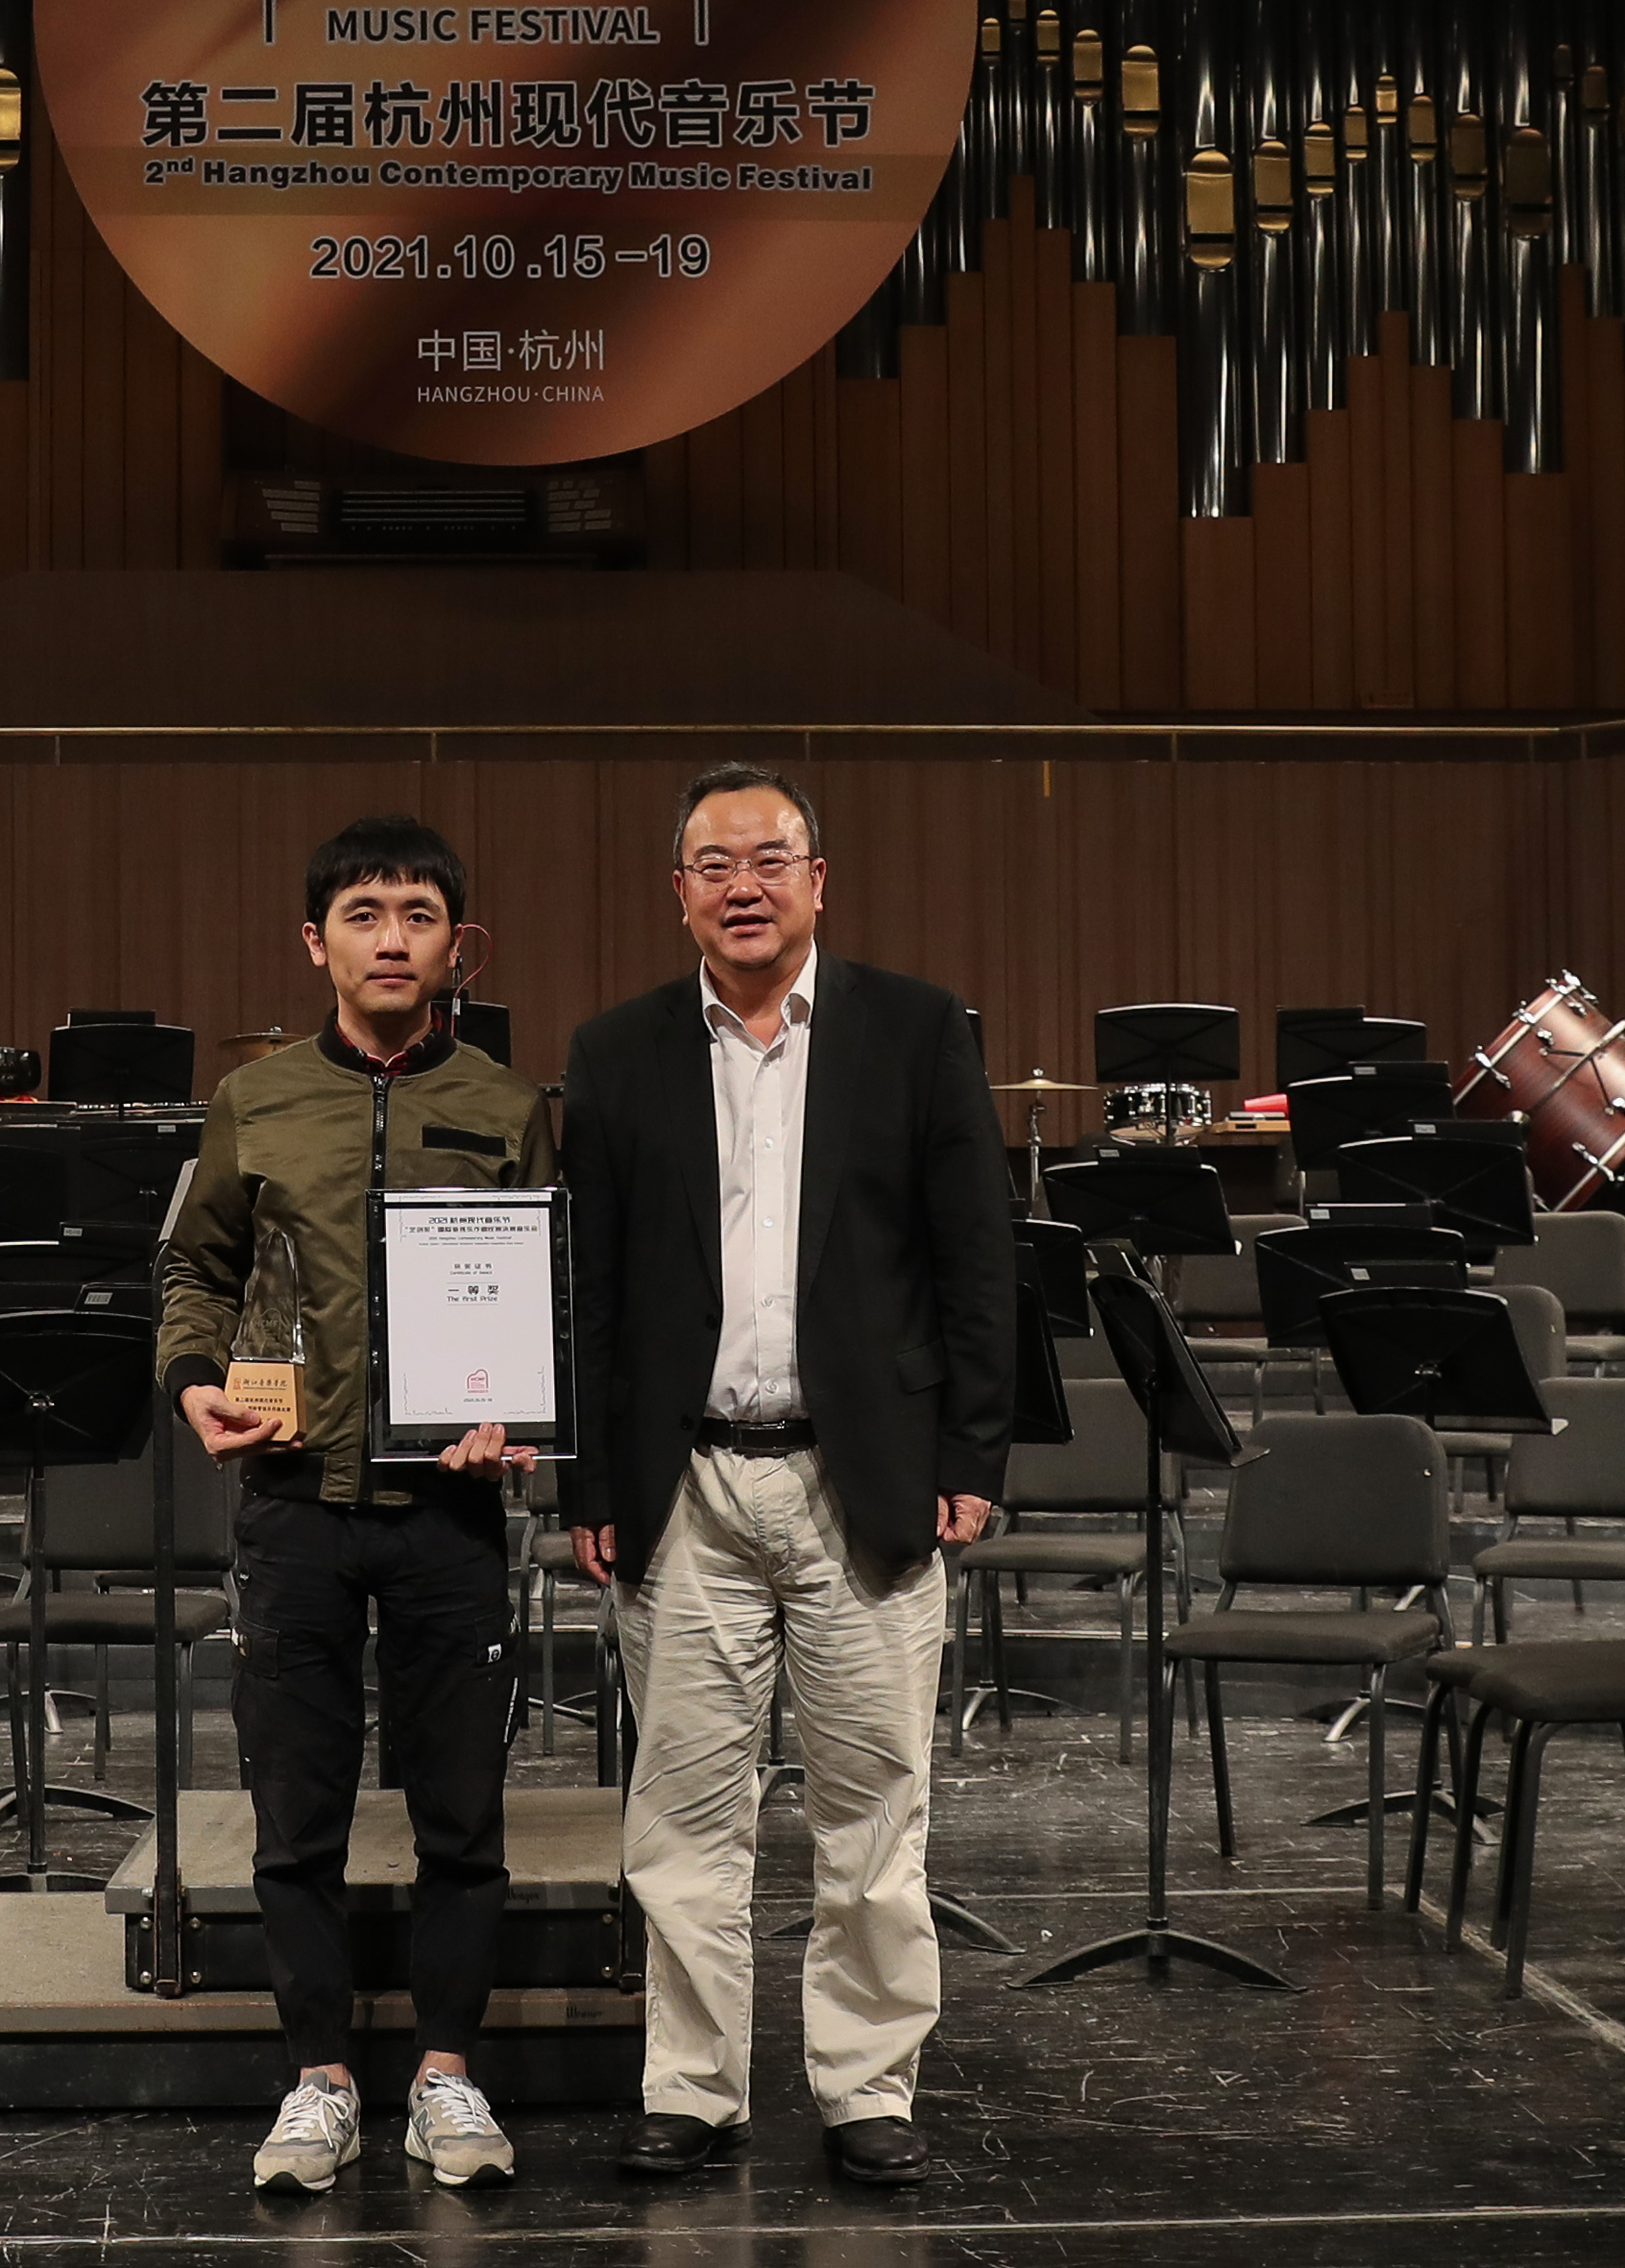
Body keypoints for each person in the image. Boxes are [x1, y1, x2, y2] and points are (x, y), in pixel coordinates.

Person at [557, 761, 1013, 2188]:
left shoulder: (915, 1030)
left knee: (872, 1806)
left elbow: (977, 1259)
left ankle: (867, 2085)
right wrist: (588, 1483)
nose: (743, 885)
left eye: (770, 859)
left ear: (818, 880)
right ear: (678, 892)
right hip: (682, 1482)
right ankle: (690, 2086)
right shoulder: (616, 1051)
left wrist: (970, 1453)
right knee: (682, 1815)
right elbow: (589, 1291)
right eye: (715, 863)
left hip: (862, 1478)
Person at [157, 816, 554, 2195]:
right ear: (315, 941)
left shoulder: (507, 1103)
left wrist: (523, 1411)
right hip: (293, 1502)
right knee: (296, 1815)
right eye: (366, 914)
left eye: (419, 914)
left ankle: (447, 2073)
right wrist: (192, 1381)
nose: (393, 938)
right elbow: (195, 1271)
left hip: (450, 1511)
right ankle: (318, 2078)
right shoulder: (255, 1099)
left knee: (462, 1815)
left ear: (459, 944)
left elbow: (545, 1292)